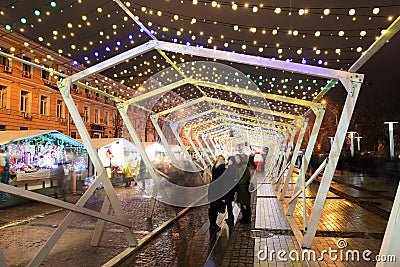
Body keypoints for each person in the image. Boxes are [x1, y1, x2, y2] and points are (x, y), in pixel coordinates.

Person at [208, 155, 226, 232]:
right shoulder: (221, 168)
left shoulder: (215, 167)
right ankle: (213, 225)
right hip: (217, 190)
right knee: (214, 208)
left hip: (212, 189)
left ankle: (213, 224)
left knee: (213, 207)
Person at [223, 155, 239, 225]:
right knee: (229, 203)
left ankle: (230, 218)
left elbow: (228, 178)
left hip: (228, 188)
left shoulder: (230, 168)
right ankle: (230, 216)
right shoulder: (234, 167)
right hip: (230, 189)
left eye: (229, 160)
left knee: (228, 204)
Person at [236, 155, 252, 224]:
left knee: (245, 204)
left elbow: (247, 177)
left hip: (244, 189)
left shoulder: (244, 167)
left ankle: (247, 218)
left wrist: (240, 182)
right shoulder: (240, 167)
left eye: (237, 158)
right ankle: (244, 217)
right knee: (242, 204)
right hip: (241, 189)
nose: (237, 160)